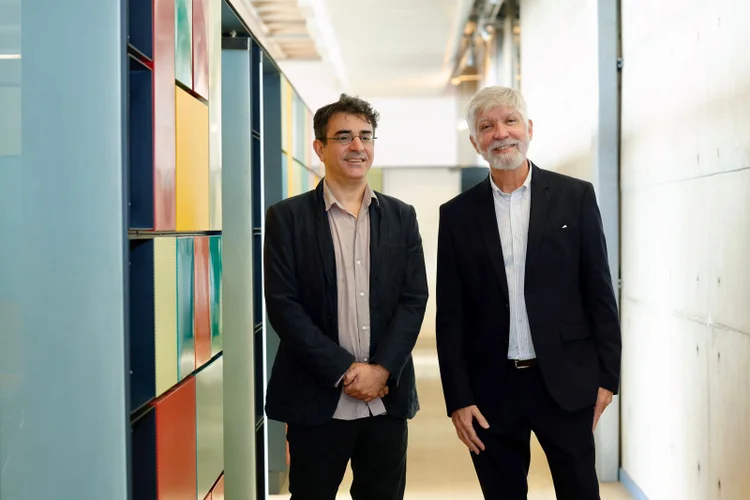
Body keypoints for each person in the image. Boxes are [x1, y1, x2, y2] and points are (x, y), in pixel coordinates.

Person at [435, 85, 621, 500]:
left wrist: (608, 376)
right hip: (490, 390)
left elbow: (599, 290)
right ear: (475, 142)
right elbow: (451, 316)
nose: (500, 133)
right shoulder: (457, 215)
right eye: (487, 126)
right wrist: (457, 398)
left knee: (579, 492)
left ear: (529, 128)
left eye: (509, 120)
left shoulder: (575, 197)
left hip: (565, 380)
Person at [263, 93, 429, 500]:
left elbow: (414, 299)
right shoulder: (287, 217)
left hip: (385, 401)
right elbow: (284, 306)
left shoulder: (401, 215)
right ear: (319, 148)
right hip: (317, 399)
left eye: (365, 136)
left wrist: (382, 370)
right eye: (343, 137)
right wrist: (345, 371)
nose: (357, 146)